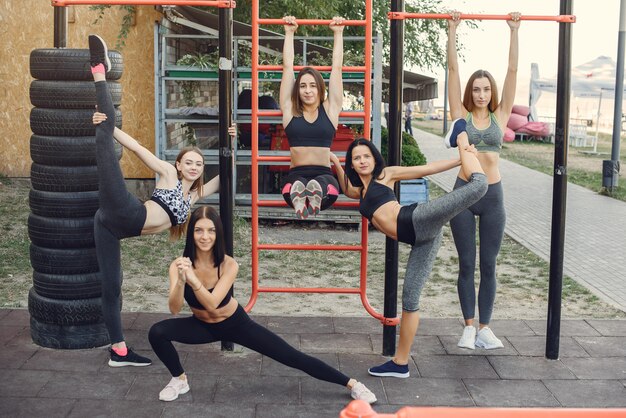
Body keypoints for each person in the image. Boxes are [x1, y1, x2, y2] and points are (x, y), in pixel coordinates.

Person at [88, 35, 235, 367]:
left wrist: (231, 140)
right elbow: (139, 150)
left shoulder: (195, 195)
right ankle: (98, 70)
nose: (195, 167)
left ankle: (118, 351)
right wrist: (111, 129)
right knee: (104, 141)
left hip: (114, 229)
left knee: (112, 287)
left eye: (200, 164)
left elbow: (226, 177)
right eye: (190, 162)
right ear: (180, 164)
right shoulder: (169, 174)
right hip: (124, 211)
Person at [147, 206, 377, 403]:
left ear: (218, 234)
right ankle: (179, 379)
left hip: (235, 323)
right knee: (157, 332)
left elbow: (213, 304)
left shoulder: (228, 264)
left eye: (211, 230)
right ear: (191, 233)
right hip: (201, 326)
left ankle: (352, 384)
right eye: (198, 230)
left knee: (292, 357)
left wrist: (194, 280)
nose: (204, 236)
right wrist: (180, 281)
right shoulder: (179, 265)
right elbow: (175, 309)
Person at [329, 123, 488, 378]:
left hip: (417, 219)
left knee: (479, 186)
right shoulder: (361, 189)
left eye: (366, 156)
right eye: (356, 158)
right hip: (422, 239)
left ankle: (460, 136)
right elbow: (347, 189)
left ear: (374, 158)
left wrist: (461, 158)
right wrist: (335, 162)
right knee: (410, 298)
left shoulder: (385, 175)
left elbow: (425, 169)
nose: (362, 161)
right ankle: (400, 363)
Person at [446, 12, 521, 350]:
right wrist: (452, 30)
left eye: (485, 88)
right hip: (464, 193)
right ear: (469, 92)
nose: (480, 93)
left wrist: (514, 31)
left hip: (493, 196)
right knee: (467, 264)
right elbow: (452, 71)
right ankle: (467, 326)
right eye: (475, 89)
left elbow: (512, 72)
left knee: (488, 265)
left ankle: (485, 327)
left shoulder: (499, 116)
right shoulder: (459, 116)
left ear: (491, 92)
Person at [279, 15, 345, 219]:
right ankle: (302, 194)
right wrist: (289, 33)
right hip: (296, 174)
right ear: (297, 90)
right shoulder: (289, 109)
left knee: (329, 190)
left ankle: (315, 191)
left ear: (320, 89)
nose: (308, 91)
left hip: (324, 173)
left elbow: (337, 68)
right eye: (303, 86)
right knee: (289, 189)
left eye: (313, 85)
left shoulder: (330, 109)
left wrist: (338, 33)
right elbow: (288, 67)